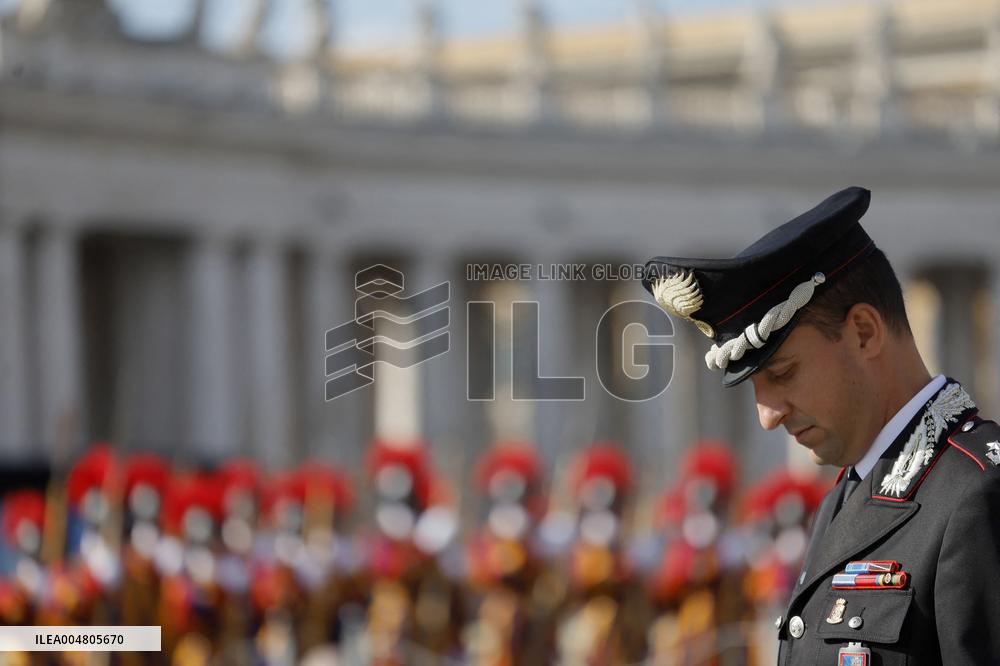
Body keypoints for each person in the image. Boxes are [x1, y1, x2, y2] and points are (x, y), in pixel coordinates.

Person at [641, 186, 1000, 664]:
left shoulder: (976, 495)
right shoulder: (844, 496)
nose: (766, 416)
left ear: (864, 333)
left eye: (783, 373)